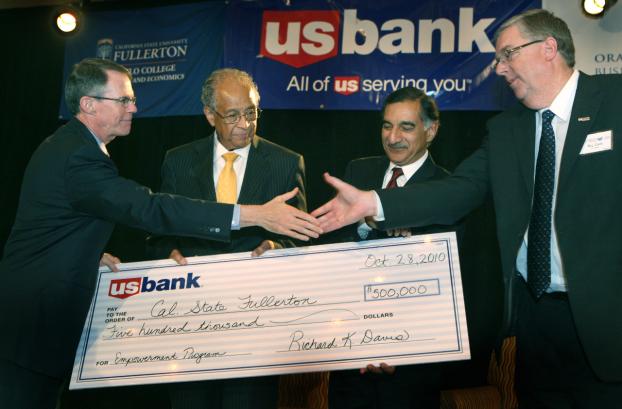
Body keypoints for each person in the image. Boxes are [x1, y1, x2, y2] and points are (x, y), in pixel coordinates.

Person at [312, 9, 622, 408]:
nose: (499, 68)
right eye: (497, 58)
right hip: (533, 320)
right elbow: (458, 191)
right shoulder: (506, 131)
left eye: (508, 54)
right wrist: (374, 202)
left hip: (607, 321)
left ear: (548, 48)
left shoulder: (614, 100)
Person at [0, 58, 321, 409]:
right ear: (89, 104)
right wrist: (252, 215)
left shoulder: (71, 148)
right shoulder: (78, 155)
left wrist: (86, 255)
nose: (134, 107)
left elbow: (56, 224)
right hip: (32, 327)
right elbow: (149, 209)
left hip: (248, 327)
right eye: (123, 100)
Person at [146, 68, 308, 409]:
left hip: (254, 328)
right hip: (189, 325)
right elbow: (157, 233)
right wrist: (168, 251)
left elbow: (303, 242)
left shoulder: (286, 163)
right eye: (233, 115)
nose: (245, 124)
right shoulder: (177, 162)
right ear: (209, 115)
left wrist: (277, 247)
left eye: (251, 113)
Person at [328, 87, 452, 409]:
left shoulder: (448, 190)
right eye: (387, 125)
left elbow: (450, 286)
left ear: (431, 130)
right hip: (349, 357)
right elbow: (330, 252)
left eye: (406, 127)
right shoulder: (358, 173)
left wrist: (399, 344)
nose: (393, 137)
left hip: (410, 369)